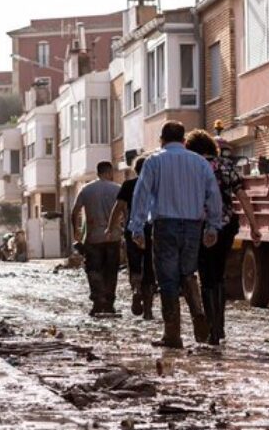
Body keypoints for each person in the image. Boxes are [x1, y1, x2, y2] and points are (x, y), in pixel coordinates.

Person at [129, 121, 223, 349]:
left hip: (165, 225)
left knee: (167, 279)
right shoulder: (200, 163)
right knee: (188, 272)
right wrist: (212, 226)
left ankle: (172, 333)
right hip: (193, 226)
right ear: (183, 140)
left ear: (162, 139)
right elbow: (213, 195)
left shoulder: (154, 161)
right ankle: (198, 312)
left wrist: (137, 227)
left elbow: (141, 195)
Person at [184, 129, 262, 344]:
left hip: (197, 225)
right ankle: (218, 326)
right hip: (225, 226)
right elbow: (242, 196)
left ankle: (210, 325)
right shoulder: (226, 166)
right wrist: (254, 226)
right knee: (218, 274)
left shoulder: (190, 168)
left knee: (205, 274)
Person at [105, 156, 156, 320]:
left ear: (136, 170)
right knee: (149, 266)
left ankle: (136, 290)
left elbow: (118, 207)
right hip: (153, 230)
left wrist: (110, 227)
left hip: (132, 229)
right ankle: (148, 310)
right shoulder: (155, 184)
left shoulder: (128, 185)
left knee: (134, 264)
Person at [72, 161, 121, 316]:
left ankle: (98, 300)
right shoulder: (117, 189)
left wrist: (77, 231)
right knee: (111, 271)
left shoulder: (86, 189)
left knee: (94, 269)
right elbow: (125, 211)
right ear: (109, 172)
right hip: (113, 237)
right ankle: (109, 303)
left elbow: (74, 212)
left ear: (98, 172)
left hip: (93, 238)